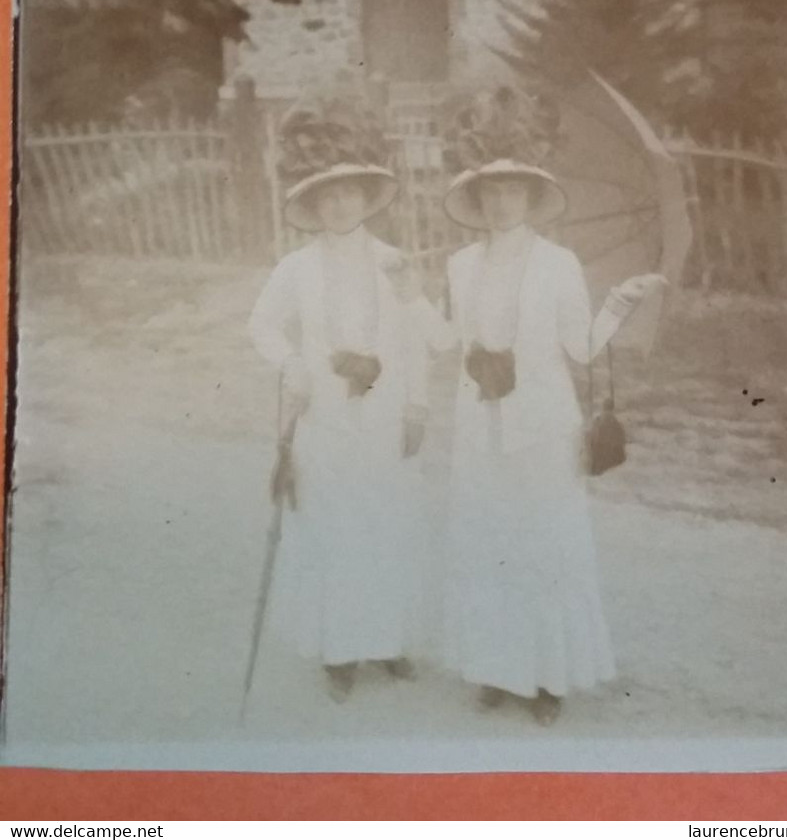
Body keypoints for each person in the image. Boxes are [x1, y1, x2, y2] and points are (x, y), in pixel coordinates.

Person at [423, 141, 665, 727]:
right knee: (488, 545)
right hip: (481, 426)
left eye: (514, 191)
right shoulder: (459, 266)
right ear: (476, 199)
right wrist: (411, 302)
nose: (502, 202)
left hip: (541, 428)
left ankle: (548, 677)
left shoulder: (558, 264)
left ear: (532, 198)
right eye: (491, 191)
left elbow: (580, 348)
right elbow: (449, 342)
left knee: (543, 546)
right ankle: (496, 670)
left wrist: (618, 304)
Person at [248, 103, 429, 703]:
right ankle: (338, 649)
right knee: (332, 526)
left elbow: (414, 337)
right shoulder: (296, 269)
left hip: (382, 411)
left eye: (349, 192)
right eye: (327, 196)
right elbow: (262, 327)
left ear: (366, 196)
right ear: (313, 205)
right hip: (323, 415)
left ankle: (387, 641)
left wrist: (417, 406)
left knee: (383, 524)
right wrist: (292, 363)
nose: (340, 205)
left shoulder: (394, 262)